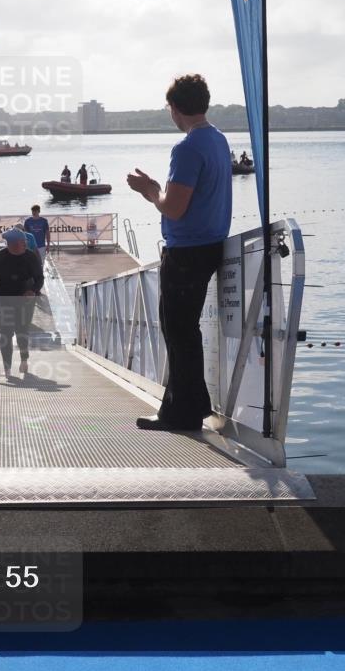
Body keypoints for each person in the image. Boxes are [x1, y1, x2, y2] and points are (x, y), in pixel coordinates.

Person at [126, 73, 232, 432]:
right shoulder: (218, 139)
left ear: (175, 109)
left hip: (187, 252)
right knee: (186, 331)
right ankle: (194, 404)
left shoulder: (187, 148)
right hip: (211, 245)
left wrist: (150, 190)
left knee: (178, 331)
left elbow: (174, 208)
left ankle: (180, 413)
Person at [0, 227, 44, 378]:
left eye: (25, 242)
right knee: (6, 333)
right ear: (11, 244)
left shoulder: (30, 257)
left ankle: (24, 359)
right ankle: (7, 369)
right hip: (2, 297)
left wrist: (34, 290)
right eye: (22, 243)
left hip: (25, 298)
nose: (25, 245)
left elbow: (39, 278)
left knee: (22, 330)